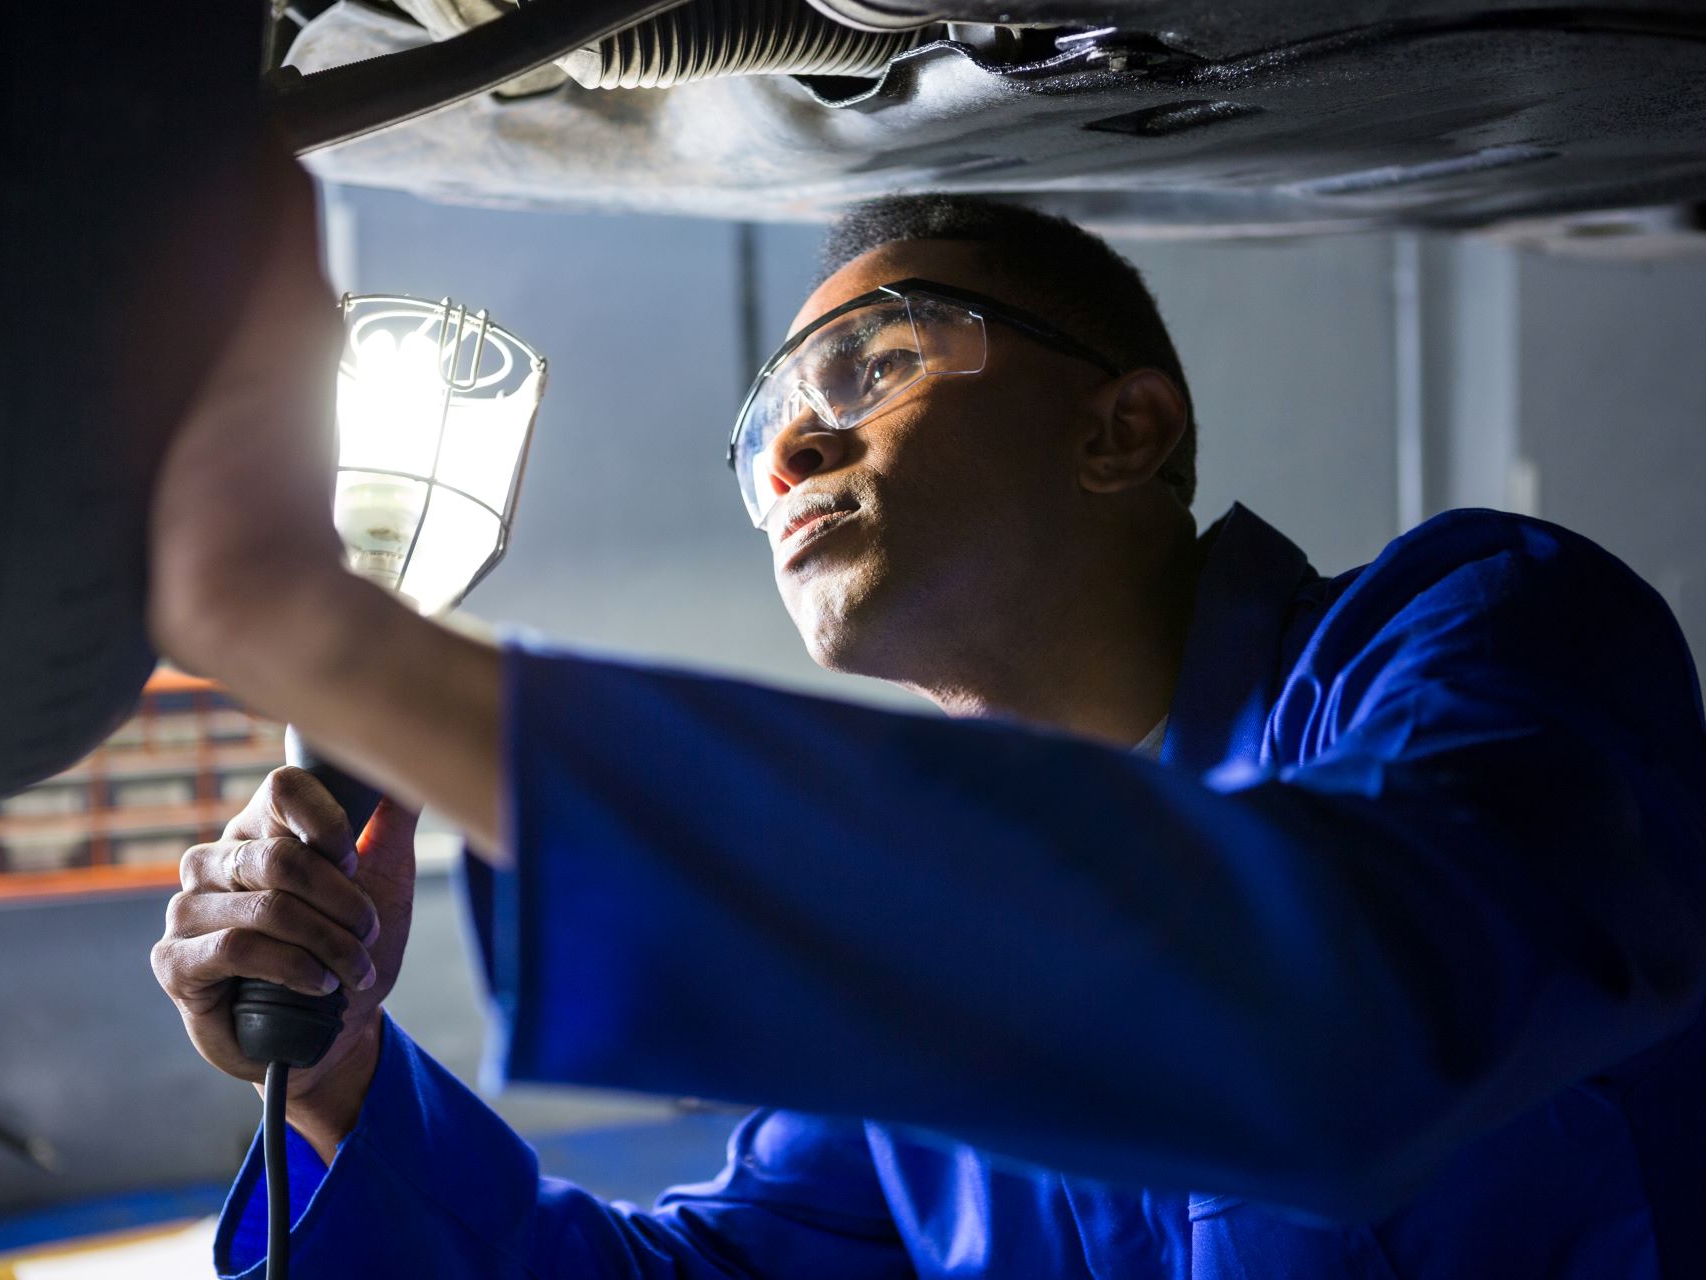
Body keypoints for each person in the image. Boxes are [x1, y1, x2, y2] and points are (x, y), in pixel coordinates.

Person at [147, 156, 1706, 1278]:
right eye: (760, 428)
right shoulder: (909, 1005)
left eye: (871, 362)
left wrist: (336, 643)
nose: (790, 453)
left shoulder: (1481, 633)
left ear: (1124, 427)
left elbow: (1350, 1019)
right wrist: (345, 1072)